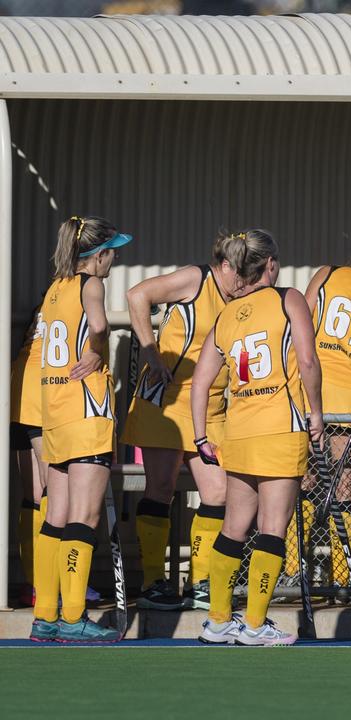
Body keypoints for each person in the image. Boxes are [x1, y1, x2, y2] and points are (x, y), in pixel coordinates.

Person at [190, 229, 323, 647]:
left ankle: (216, 620)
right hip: (280, 428)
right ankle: (254, 623)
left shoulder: (225, 315)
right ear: (270, 265)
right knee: (271, 528)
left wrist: (200, 436)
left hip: (239, 430)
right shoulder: (288, 299)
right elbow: (307, 359)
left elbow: (200, 383)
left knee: (233, 527)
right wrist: (316, 413)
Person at [121, 238, 240, 611]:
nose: (244, 280)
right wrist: (151, 351)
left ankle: (201, 581)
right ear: (223, 265)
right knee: (160, 486)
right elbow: (137, 295)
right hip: (166, 401)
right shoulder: (195, 278)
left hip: (207, 407)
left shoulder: (242, 299)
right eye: (240, 271)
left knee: (218, 492)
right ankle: (154, 582)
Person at [30, 215, 133, 643]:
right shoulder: (91, 284)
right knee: (84, 517)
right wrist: (95, 352)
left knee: (55, 516)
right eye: (112, 252)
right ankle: (73, 617)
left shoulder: (55, 288)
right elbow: (100, 324)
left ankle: (44, 616)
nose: (113, 261)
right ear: (99, 254)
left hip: (54, 410)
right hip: (86, 409)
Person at [291, 219, 351, 589]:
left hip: (311, 390)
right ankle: (343, 578)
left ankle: (290, 570)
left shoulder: (327, 274)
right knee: (345, 486)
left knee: (304, 480)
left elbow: (302, 320)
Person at [11, 307, 46, 606]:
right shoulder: (78, 298)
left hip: (19, 390)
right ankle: (48, 583)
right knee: (51, 492)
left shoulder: (46, 304)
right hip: (43, 393)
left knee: (33, 495)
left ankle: (34, 583)